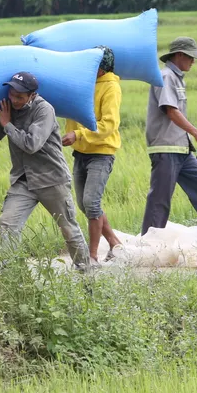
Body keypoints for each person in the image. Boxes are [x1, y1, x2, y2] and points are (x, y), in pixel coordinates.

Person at [0, 71, 90, 269]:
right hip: (23, 181)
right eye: (12, 94)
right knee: (8, 224)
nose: (14, 100)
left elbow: (32, 144)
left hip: (51, 179)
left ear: (32, 95)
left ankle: (85, 274)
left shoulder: (44, 110)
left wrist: (7, 124)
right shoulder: (9, 109)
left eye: (19, 97)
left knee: (68, 229)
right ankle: (14, 275)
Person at [141, 37, 197, 237]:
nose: (193, 61)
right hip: (166, 147)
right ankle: (149, 243)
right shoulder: (166, 76)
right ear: (179, 55)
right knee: (160, 199)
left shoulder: (177, 78)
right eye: (191, 57)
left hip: (182, 148)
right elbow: (171, 110)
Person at [62, 46, 122, 262]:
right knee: (84, 204)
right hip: (81, 153)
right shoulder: (83, 82)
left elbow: (109, 124)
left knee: (92, 203)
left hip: (101, 153)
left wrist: (78, 134)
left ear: (102, 69)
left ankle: (93, 256)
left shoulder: (111, 87)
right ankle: (114, 243)